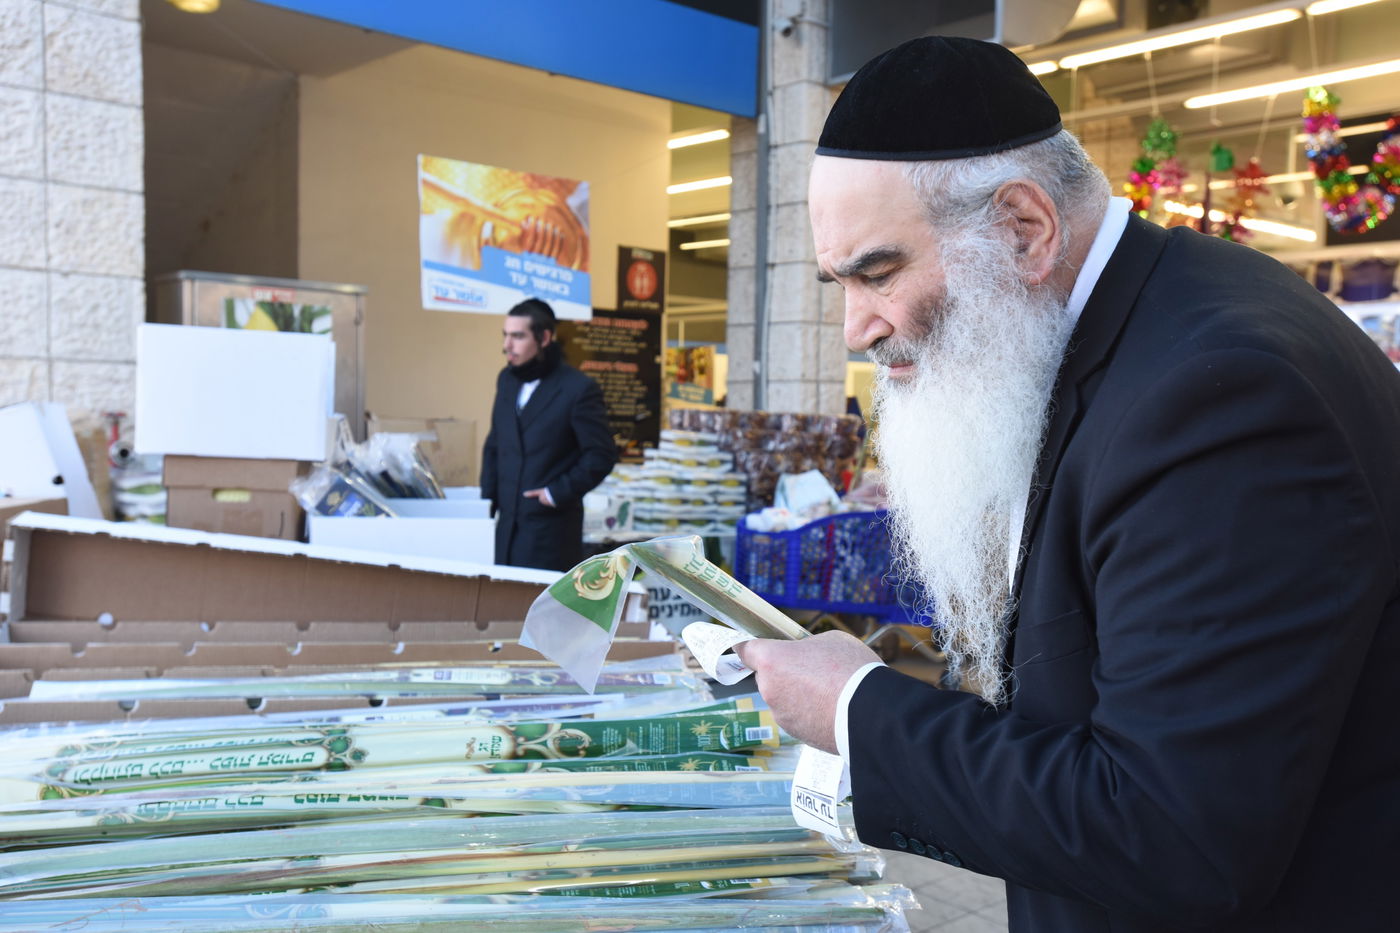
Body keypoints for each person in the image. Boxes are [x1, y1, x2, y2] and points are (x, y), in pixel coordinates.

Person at [733, 35, 1400, 933]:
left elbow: (1172, 831)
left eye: (879, 272)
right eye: (837, 281)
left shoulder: (1219, 398)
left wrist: (859, 708)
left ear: (1025, 228)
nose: (856, 328)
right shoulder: (1138, 326)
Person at [480, 298, 616, 570]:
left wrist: (556, 492)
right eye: (506, 335)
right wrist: (485, 504)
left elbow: (601, 454)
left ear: (544, 338)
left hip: (550, 532)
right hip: (504, 528)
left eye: (517, 336)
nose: (507, 345)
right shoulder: (506, 380)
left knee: (537, 610)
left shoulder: (578, 388)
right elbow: (496, 443)